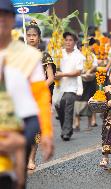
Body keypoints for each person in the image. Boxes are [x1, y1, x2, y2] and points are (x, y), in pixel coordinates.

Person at [0, 0, 54, 187]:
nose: (1, 21)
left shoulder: (31, 57)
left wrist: (46, 131)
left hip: (17, 128)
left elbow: (40, 94)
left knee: (14, 180)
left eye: (5, 16)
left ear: (12, 19)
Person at [25, 20, 56, 170]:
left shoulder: (44, 56)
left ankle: (31, 159)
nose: (31, 38)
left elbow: (50, 78)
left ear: (39, 37)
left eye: (34, 35)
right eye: (29, 35)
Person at [55, 32, 84, 141]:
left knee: (67, 104)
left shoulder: (79, 56)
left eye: (70, 40)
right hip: (58, 87)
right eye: (66, 40)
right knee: (58, 106)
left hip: (71, 87)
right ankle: (66, 128)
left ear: (75, 42)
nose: (68, 42)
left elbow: (78, 72)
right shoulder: (58, 53)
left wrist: (63, 74)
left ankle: (66, 132)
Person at [73, 38, 98, 132]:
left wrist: (89, 71)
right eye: (83, 46)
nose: (84, 47)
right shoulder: (77, 56)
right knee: (78, 101)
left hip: (90, 80)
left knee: (90, 100)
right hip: (80, 81)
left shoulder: (92, 55)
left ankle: (90, 122)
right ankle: (77, 123)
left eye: (86, 45)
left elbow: (95, 65)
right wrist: (83, 72)